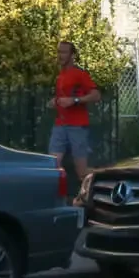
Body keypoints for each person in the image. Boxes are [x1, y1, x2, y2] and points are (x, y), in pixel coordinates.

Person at [49, 40, 99, 192]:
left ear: (72, 55)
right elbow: (64, 99)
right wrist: (55, 101)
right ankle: (57, 198)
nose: (60, 55)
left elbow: (96, 95)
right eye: (59, 52)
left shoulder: (80, 74)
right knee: (53, 166)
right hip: (60, 125)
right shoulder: (60, 76)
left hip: (77, 126)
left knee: (82, 173)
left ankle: (98, 189)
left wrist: (75, 100)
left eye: (64, 52)